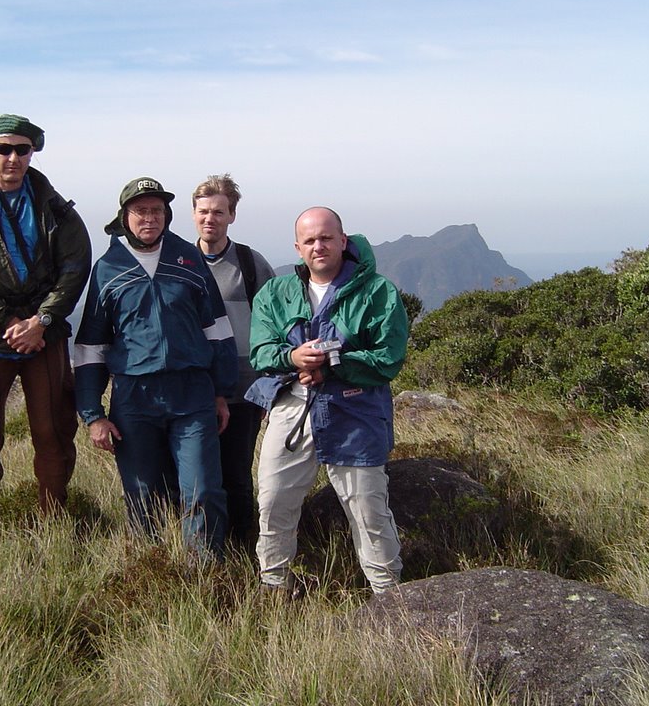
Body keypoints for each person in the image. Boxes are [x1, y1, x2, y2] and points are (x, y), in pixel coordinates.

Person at [246, 207, 409, 594]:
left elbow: (388, 358)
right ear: (298, 247)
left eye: (326, 238)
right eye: (309, 240)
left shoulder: (377, 292)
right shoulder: (276, 292)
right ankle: (275, 587)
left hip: (354, 409)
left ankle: (390, 600)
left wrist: (333, 363)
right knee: (272, 503)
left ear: (342, 240)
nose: (318, 246)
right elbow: (260, 350)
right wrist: (291, 358)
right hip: (293, 408)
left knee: (368, 510)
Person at [0, 113, 92, 538]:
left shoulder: (56, 207)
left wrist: (41, 320)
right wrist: (12, 322)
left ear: (32, 152)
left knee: (52, 431)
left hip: (43, 336)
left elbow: (74, 268)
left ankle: (53, 522)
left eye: (21, 149)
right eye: (3, 148)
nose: (12, 157)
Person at [74, 177, 237, 557]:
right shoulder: (108, 268)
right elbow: (91, 347)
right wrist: (93, 415)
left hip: (192, 392)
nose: (150, 218)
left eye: (157, 211)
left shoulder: (187, 258)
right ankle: (153, 571)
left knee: (202, 488)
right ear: (124, 216)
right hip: (134, 397)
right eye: (141, 210)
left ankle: (205, 572)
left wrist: (220, 391)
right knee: (142, 492)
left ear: (167, 215)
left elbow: (217, 327)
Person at [191, 174, 275, 549]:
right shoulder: (179, 261)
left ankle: (244, 548)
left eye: (219, 212)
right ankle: (207, 546)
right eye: (204, 211)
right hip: (191, 387)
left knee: (236, 474)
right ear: (193, 214)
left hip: (242, 388)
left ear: (232, 216)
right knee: (197, 475)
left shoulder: (249, 263)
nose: (211, 219)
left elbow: (276, 323)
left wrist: (272, 386)